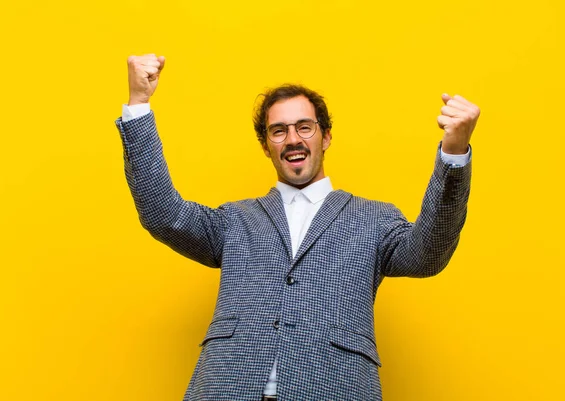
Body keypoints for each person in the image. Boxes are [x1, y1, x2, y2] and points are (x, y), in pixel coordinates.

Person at [115, 54, 479, 401]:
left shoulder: (375, 219)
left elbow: (428, 254)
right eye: (278, 131)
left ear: (326, 136)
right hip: (226, 386)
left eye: (304, 127)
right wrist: (139, 105)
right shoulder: (234, 221)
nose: (292, 139)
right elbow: (164, 214)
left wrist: (454, 152)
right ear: (265, 145)